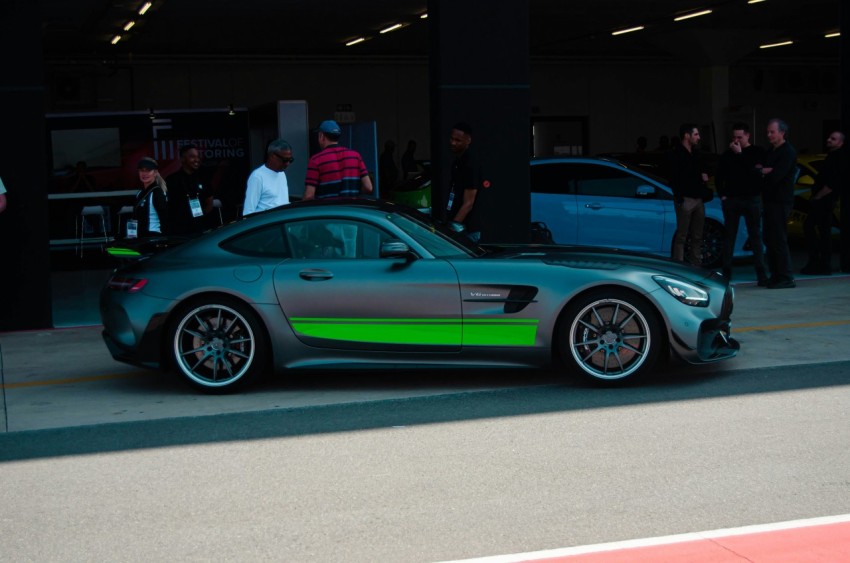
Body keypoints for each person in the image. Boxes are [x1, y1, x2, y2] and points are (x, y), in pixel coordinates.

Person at [715, 122, 767, 284]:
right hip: (732, 199)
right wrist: (723, 195)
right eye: (734, 137)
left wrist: (740, 154)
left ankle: (761, 272)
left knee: (755, 235)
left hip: (751, 198)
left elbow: (756, 173)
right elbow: (719, 176)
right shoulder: (727, 155)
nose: (737, 141)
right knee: (730, 235)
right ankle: (727, 270)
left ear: (748, 136)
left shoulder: (757, 152)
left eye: (740, 137)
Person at [758, 118, 798, 289]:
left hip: (780, 201)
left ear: (782, 132)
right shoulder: (771, 151)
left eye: (772, 132)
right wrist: (764, 171)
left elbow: (776, 176)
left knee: (778, 238)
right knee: (769, 237)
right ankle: (775, 274)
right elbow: (762, 171)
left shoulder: (787, 152)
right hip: (769, 200)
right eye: (768, 132)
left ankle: (785, 276)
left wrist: (766, 172)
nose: (769, 135)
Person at [801, 131, 845, 275]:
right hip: (823, 199)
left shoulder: (838, 158)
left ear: (840, 142)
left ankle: (820, 263)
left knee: (814, 228)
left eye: (833, 139)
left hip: (825, 201)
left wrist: (818, 197)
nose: (829, 140)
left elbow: (833, 183)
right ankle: (820, 262)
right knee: (821, 230)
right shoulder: (831, 156)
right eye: (829, 137)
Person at [668, 123, 709, 266]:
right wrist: (679, 198)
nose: (698, 137)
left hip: (697, 198)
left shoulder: (696, 153)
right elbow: (673, 178)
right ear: (687, 136)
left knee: (697, 235)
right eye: (696, 134)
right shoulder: (676, 154)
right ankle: (678, 266)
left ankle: (696, 265)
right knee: (682, 235)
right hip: (685, 198)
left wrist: (703, 178)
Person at [303, 120, 373, 200]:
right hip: (351, 210)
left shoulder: (316, 160)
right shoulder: (356, 156)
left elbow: (309, 196)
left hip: (328, 211)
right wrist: (354, 193)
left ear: (321, 136)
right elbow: (368, 187)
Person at [447, 122, 486, 243]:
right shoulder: (458, 162)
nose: (453, 143)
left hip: (467, 230)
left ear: (468, 141)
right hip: (460, 227)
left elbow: (468, 203)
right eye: (452, 139)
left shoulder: (470, 164)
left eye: (458, 140)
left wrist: (453, 228)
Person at [166, 144, 214, 236]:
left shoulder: (203, 178)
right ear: (183, 159)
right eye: (192, 157)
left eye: (197, 156)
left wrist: (200, 218)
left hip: (200, 230)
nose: (196, 160)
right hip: (179, 232)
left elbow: (209, 204)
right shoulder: (172, 180)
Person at [242, 139, 293, 216]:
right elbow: (248, 212)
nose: (287, 163)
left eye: (290, 160)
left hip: (282, 223)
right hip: (267, 225)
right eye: (285, 160)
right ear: (272, 156)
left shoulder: (282, 174)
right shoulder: (257, 176)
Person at [128, 157, 169, 238]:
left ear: (155, 172)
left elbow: (166, 219)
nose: (144, 173)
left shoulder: (157, 192)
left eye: (148, 170)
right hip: (140, 238)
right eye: (141, 170)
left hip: (154, 237)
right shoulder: (140, 193)